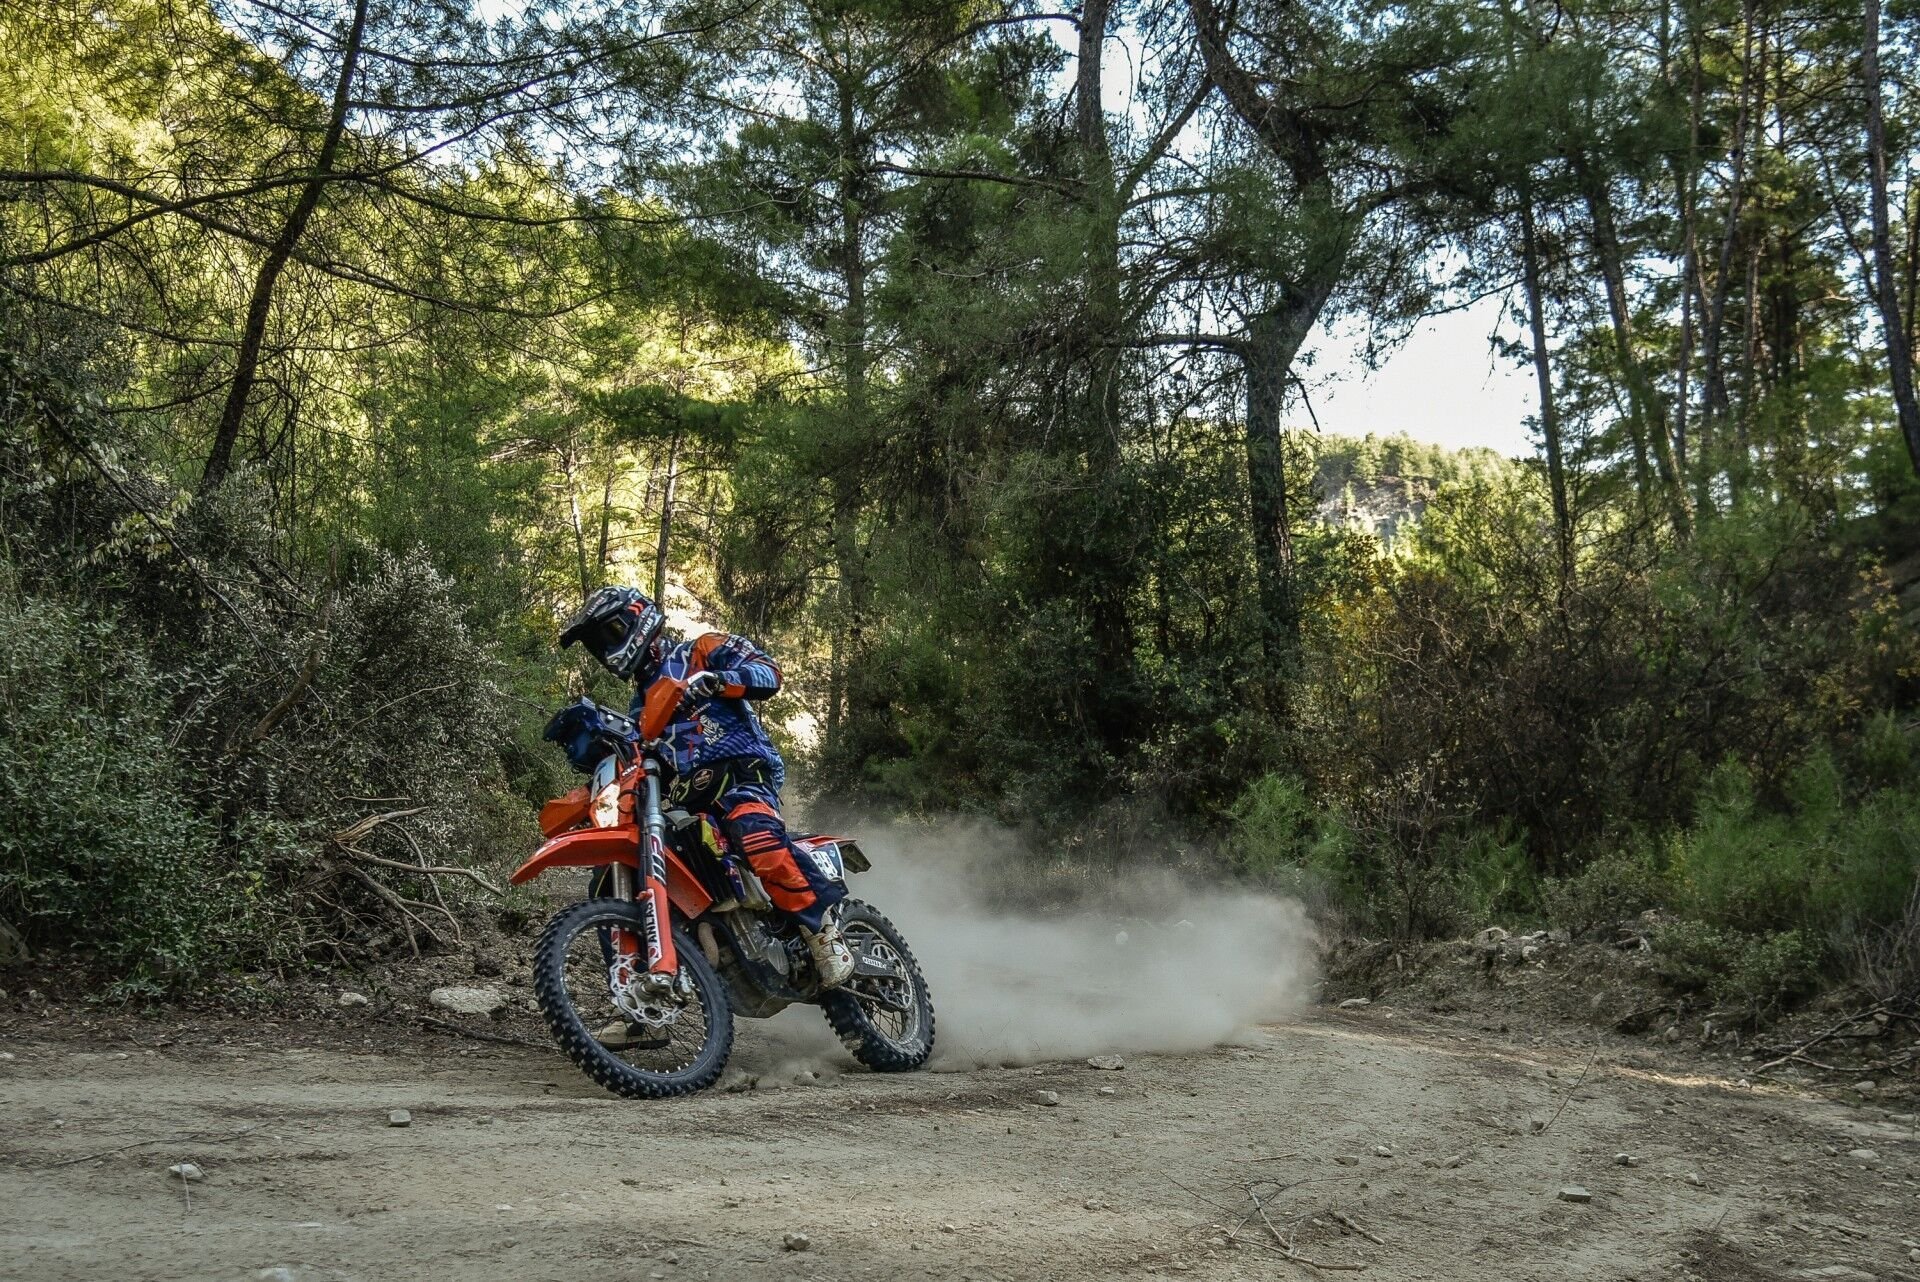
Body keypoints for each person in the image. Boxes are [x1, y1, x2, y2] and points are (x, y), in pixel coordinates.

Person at [559, 585, 854, 989]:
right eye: (597, 644)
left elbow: (768, 672)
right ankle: (651, 985)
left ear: (636, 618)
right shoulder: (638, 710)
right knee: (639, 864)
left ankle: (823, 934)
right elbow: (639, 760)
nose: (606, 648)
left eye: (609, 633)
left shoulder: (700, 651)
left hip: (741, 772)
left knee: (753, 831)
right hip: (689, 801)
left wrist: (718, 680)